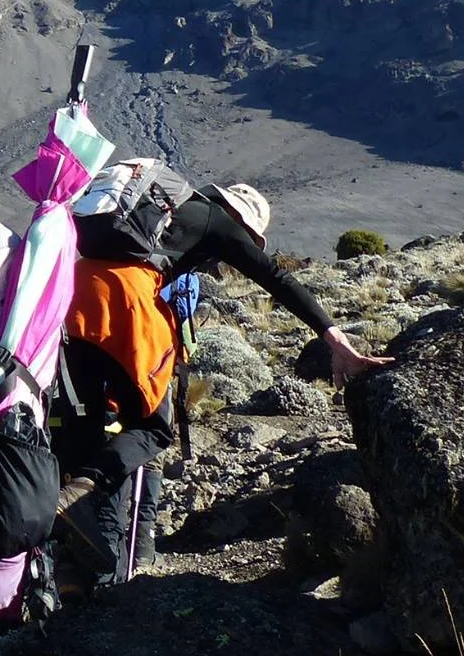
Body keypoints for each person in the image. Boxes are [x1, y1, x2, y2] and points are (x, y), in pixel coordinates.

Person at [57, 182, 391, 584]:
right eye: (247, 238)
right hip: (126, 302)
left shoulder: (162, 213)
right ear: (238, 218)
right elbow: (277, 279)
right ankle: (85, 493)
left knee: (88, 420)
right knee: (151, 428)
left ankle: (74, 555)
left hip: (72, 294)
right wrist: (336, 341)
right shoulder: (216, 221)